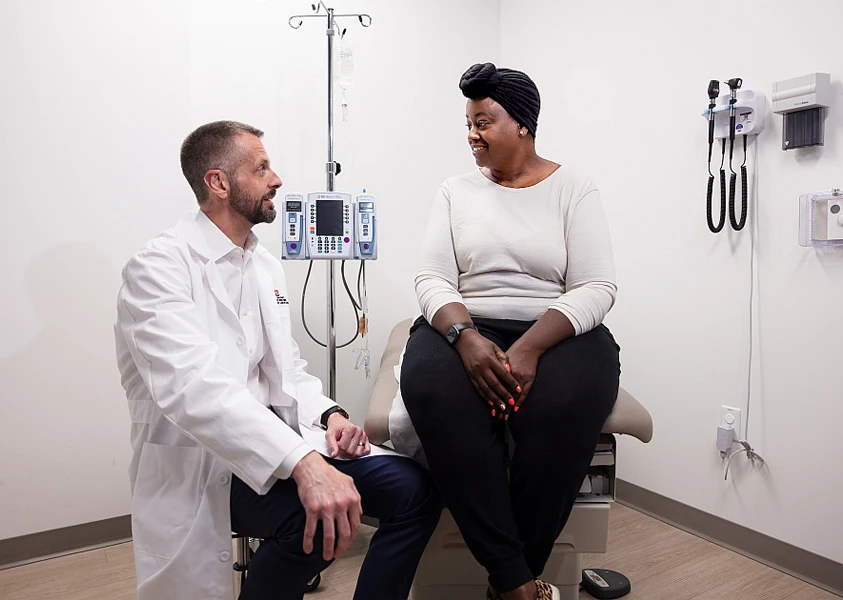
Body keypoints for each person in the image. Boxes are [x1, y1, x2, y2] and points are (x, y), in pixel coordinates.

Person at [114, 120, 441, 600]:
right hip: (209, 463)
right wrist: (304, 463)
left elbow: (288, 372)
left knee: (414, 489)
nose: (277, 179)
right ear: (219, 182)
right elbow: (195, 390)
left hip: (281, 444)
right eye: (261, 167)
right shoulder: (158, 268)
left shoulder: (262, 265)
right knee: (317, 519)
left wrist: (329, 416)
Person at [398, 63, 621, 600]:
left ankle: (512, 572)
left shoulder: (574, 188)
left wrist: (527, 349)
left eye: (483, 122)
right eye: (469, 124)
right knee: (434, 391)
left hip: (554, 325)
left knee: (560, 407)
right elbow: (431, 277)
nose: (471, 135)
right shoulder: (455, 191)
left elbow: (597, 286)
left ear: (522, 124)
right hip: (464, 320)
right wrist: (466, 340)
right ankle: (519, 583)